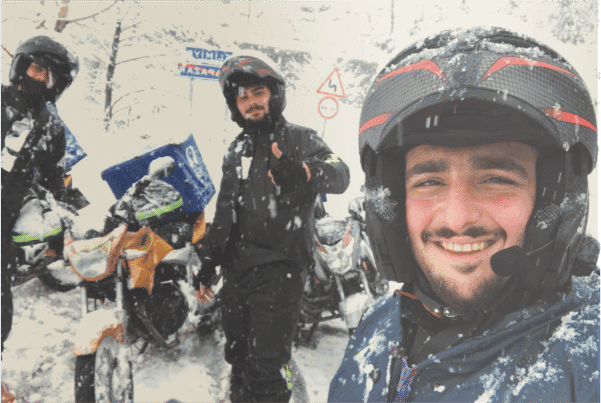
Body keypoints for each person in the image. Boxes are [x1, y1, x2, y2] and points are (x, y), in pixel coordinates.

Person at [328, 27, 599, 402]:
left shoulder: (586, 355)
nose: (458, 219)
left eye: (496, 179)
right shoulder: (377, 325)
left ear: (550, 204)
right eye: (429, 182)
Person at [193, 53, 350, 402]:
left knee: (266, 369)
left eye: (258, 92)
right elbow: (225, 212)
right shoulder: (236, 149)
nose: (251, 102)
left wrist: (303, 171)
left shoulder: (300, 138)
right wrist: (209, 260)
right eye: (242, 97)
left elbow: (340, 172)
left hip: (280, 270)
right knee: (237, 358)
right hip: (237, 272)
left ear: (274, 94)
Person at [1, 34, 79, 402]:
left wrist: (61, 220)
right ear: (21, 67)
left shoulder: (51, 126)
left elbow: (53, 181)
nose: (43, 80)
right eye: (38, 69)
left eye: (51, 77)